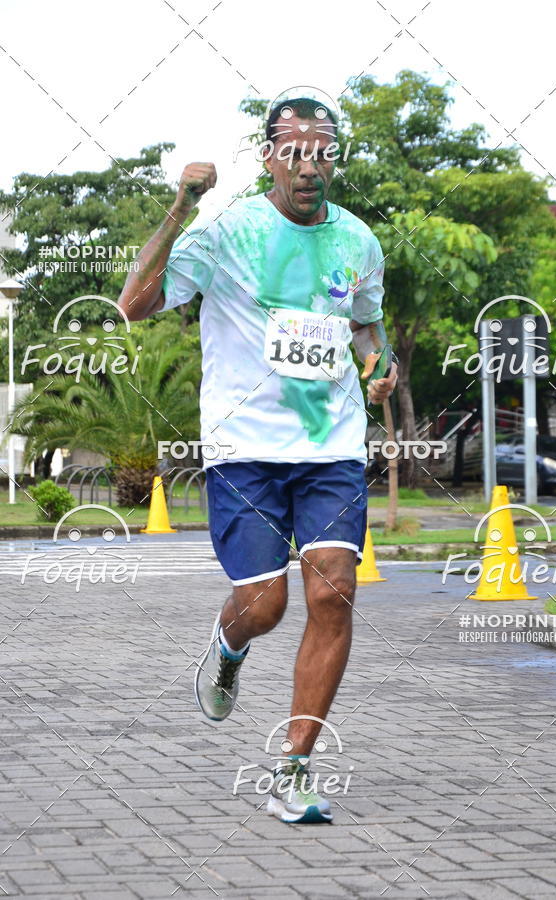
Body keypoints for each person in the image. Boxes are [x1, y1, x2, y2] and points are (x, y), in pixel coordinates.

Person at [118, 97, 398, 823]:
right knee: (264, 605)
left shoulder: (357, 240)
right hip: (245, 449)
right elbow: (134, 303)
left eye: (322, 152)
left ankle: (293, 769)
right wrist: (181, 207)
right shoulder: (227, 233)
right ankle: (228, 646)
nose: (309, 166)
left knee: (334, 591)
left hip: (331, 445)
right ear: (268, 157)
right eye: (293, 152)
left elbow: (367, 327)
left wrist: (381, 364)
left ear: (335, 160)